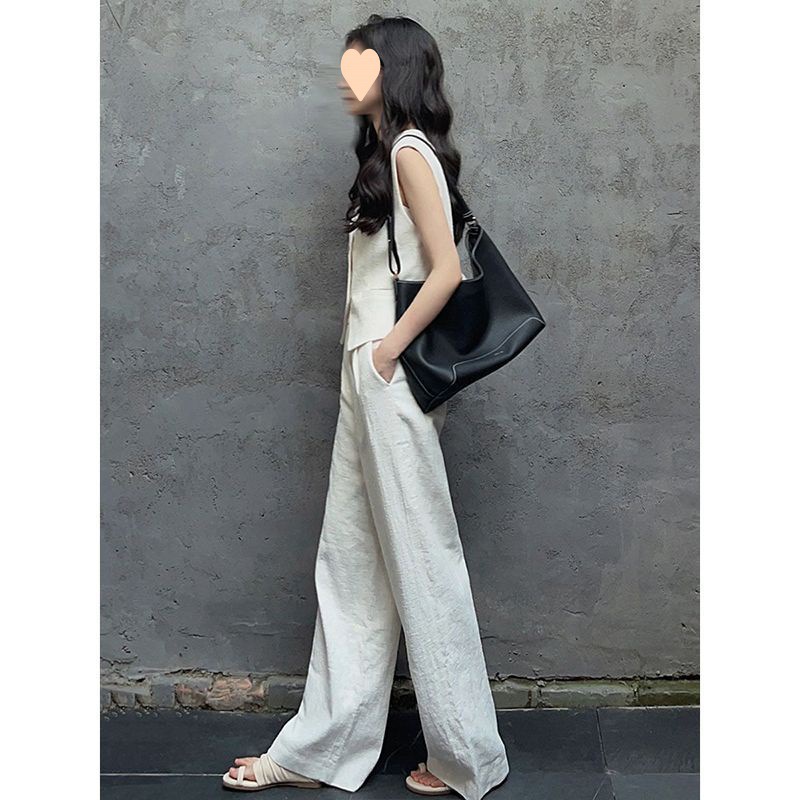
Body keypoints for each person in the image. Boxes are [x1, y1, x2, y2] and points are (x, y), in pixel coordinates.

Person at [223, 14, 510, 800]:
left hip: (390, 380)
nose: (347, 75)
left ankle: (467, 757)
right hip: (368, 377)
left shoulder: (411, 151)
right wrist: (365, 361)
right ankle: (321, 748)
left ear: (396, 70)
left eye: (362, 63)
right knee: (350, 565)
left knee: (422, 562)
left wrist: (385, 353)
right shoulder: (389, 154)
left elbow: (446, 271)